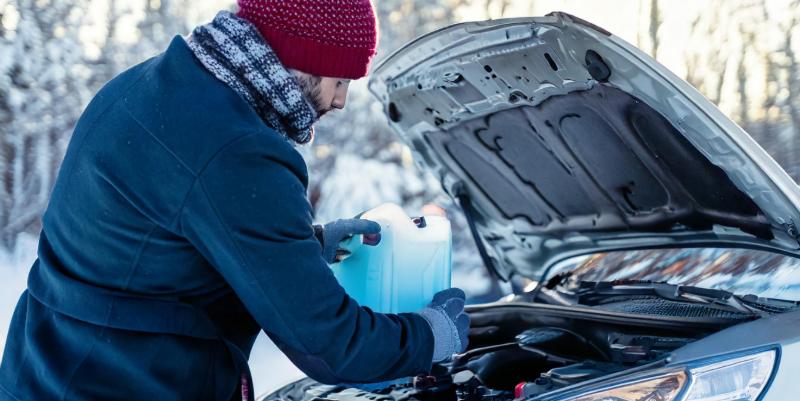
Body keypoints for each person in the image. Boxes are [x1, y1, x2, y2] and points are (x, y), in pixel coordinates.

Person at [0, 1, 469, 400]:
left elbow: (152, 238)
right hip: (118, 383)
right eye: (340, 80)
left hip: (45, 367)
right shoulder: (239, 149)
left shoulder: (149, 86)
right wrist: (431, 333)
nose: (341, 101)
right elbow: (330, 344)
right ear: (299, 59)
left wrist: (307, 244)